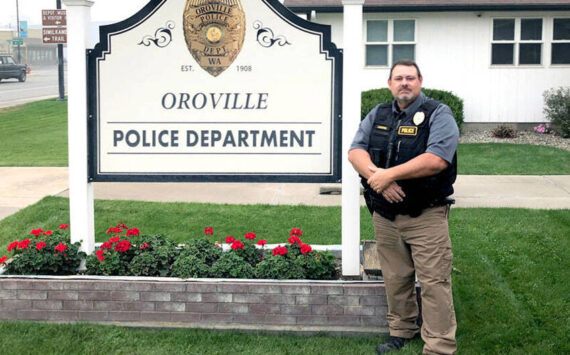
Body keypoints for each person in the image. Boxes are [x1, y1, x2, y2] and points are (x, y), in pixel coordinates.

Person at [348, 60, 459, 355]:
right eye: (399, 78)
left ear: (420, 81)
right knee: (396, 277)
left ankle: (438, 346)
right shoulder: (379, 113)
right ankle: (401, 330)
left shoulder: (439, 114)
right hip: (385, 214)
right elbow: (355, 151)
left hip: (426, 214)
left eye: (410, 78)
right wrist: (377, 178)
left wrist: (389, 175)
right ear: (390, 84)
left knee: (434, 281)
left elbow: (437, 158)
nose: (404, 83)